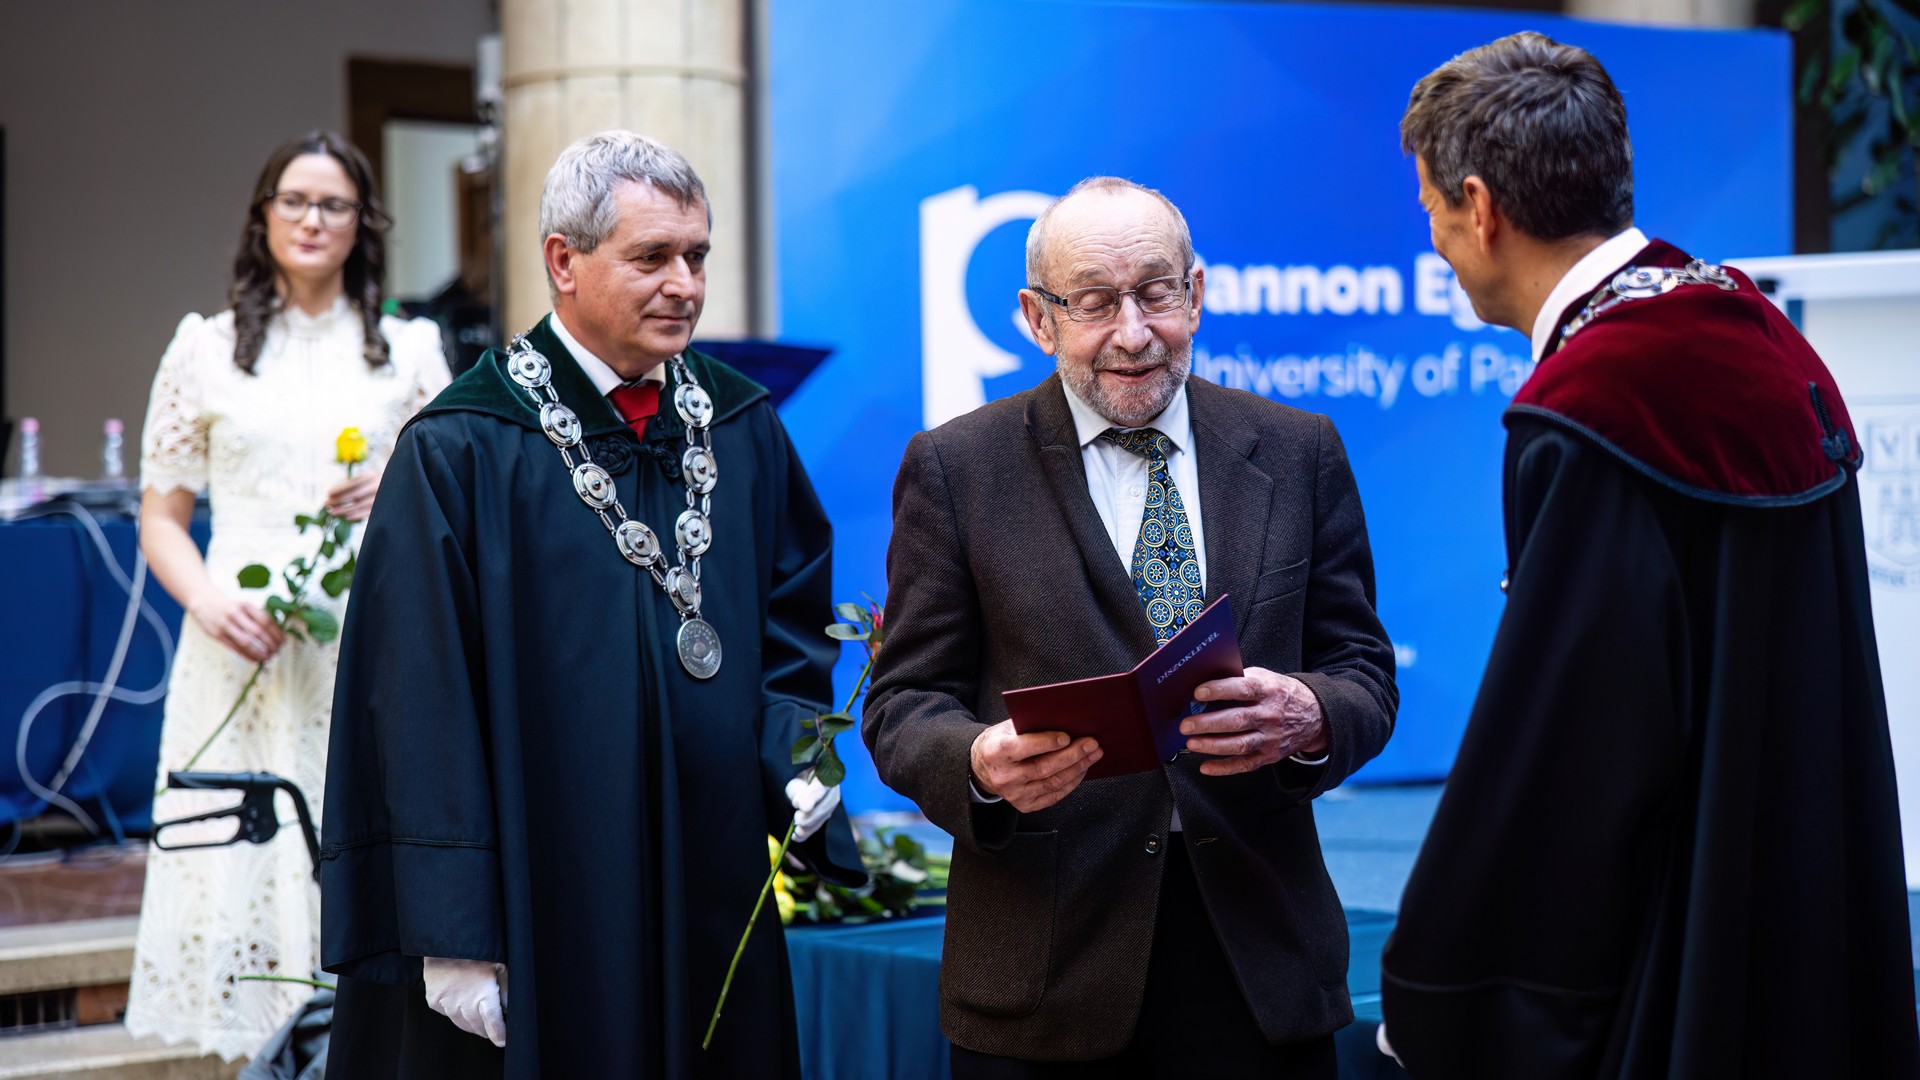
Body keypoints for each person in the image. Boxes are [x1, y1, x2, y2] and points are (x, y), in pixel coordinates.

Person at [1379, 32, 1920, 1078]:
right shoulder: (1766, 337)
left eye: (1432, 208)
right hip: (1804, 924)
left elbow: (1568, 748)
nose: (1436, 237)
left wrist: (1447, 984)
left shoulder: (1588, 409)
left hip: (1668, 963)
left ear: (1480, 209)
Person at [318, 130, 864, 1079]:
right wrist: (449, 929)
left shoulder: (740, 426)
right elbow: (415, 704)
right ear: (563, 262)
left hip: (708, 876)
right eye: (652, 257)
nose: (685, 285)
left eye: (696, 256)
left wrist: (796, 753)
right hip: (538, 894)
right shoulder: (461, 447)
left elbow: (792, 629)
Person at [862, 176, 1398, 1079]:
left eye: (1155, 294)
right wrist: (978, 764)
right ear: (1038, 319)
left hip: (1260, 966)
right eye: (1094, 302)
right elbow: (904, 703)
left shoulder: (1298, 448)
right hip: (1045, 977)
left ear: (1197, 293)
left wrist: (1309, 714)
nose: (1134, 333)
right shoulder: (957, 469)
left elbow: (1363, 671)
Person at [127, 130, 450, 1060]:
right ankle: (257, 1054)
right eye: (295, 201)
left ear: (363, 224)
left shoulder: (411, 352)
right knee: (246, 852)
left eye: (334, 204)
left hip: (366, 636)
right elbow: (161, 518)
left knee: (351, 828)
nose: (313, 220)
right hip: (238, 634)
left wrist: (401, 479)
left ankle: (359, 1043)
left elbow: (457, 501)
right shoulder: (203, 348)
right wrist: (207, 602)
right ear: (263, 215)